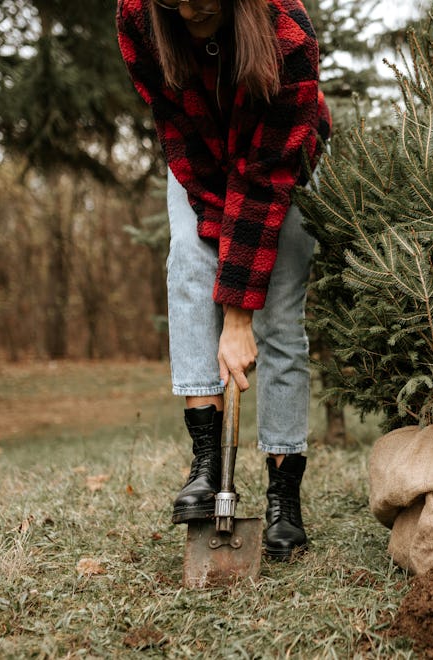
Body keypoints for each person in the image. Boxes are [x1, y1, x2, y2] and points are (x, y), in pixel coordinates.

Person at [117, 0, 331, 561]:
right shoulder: (139, 17)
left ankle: (285, 496)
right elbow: (176, 130)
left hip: (283, 162)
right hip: (199, 159)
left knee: (279, 315)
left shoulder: (287, 34)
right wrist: (218, 261)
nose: (192, 9)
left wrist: (239, 315)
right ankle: (206, 466)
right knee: (188, 261)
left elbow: (261, 183)